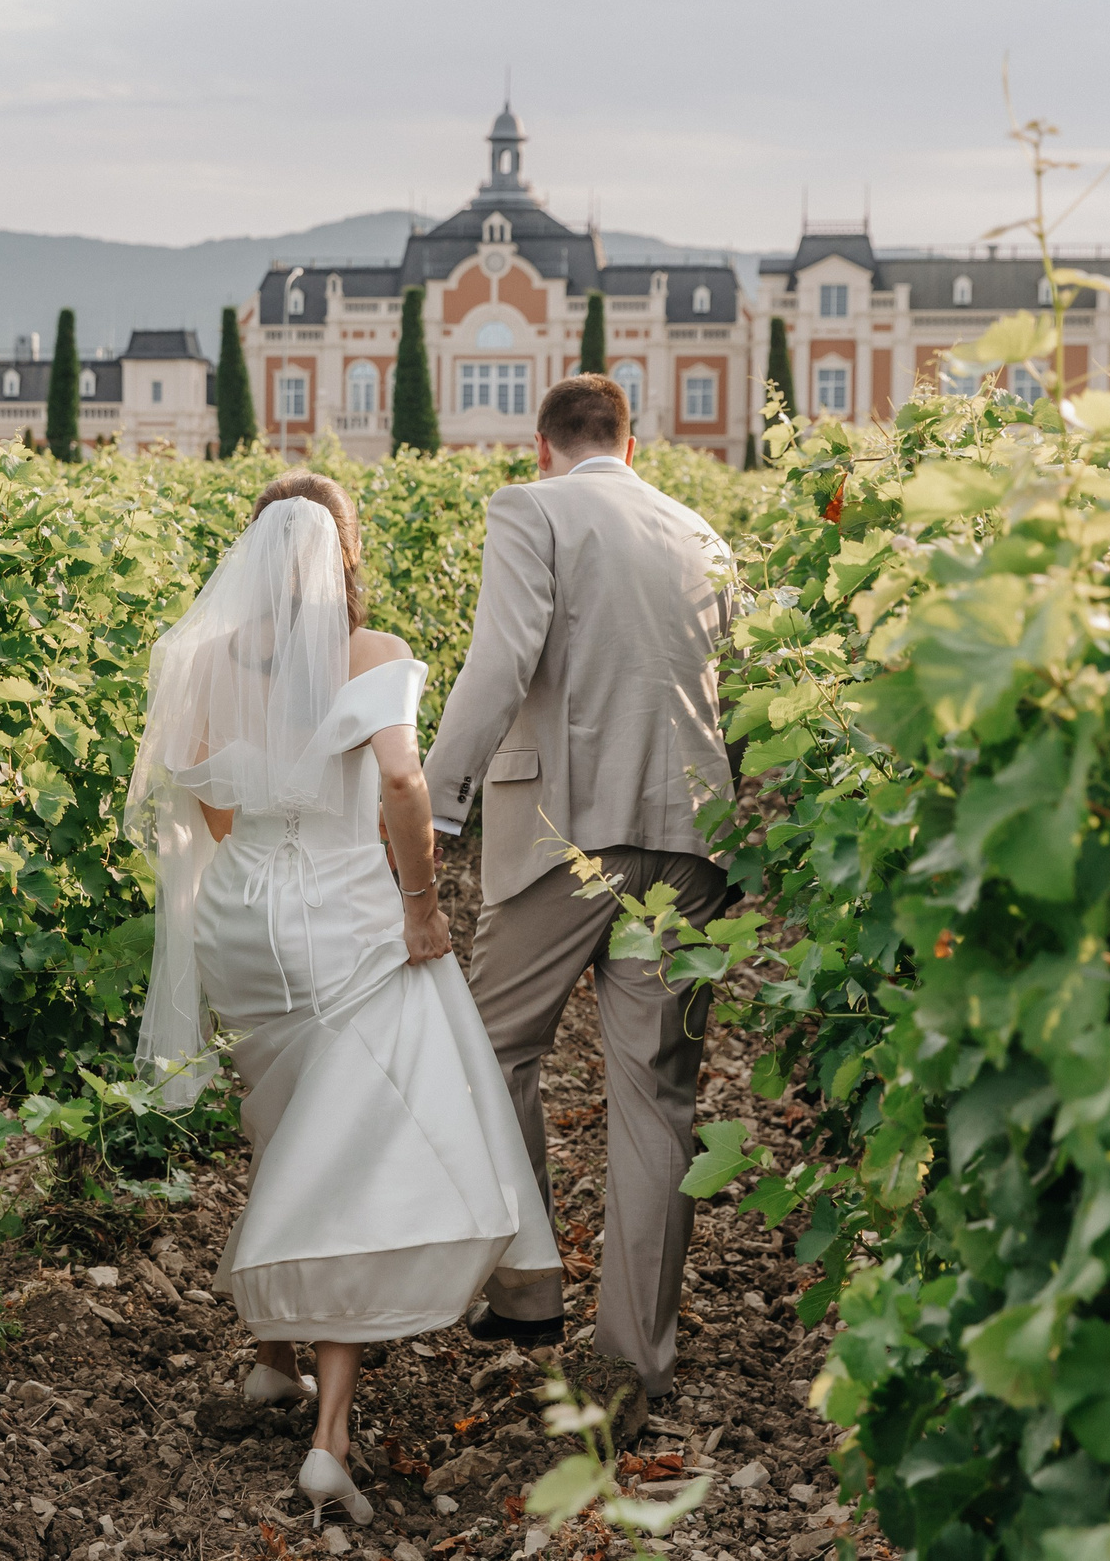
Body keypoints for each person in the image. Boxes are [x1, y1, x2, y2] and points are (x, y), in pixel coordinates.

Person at [130, 472, 559, 1529]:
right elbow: (403, 784)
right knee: (351, 1155)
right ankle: (328, 1438)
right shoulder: (369, 654)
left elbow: (212, 812)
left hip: (240, 923)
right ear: (345, 554)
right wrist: (422, 907)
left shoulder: (201, 662)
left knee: (281, 1122)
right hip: (343, 922)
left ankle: (273, 1359)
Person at [423, 374, 735, 1399]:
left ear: (542, 444)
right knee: (658, 1097)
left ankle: (526, 1284)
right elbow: (731, 693)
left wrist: (435, 805)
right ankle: (636, 1357)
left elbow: (501, 658)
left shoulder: (531, 509)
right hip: (686, 839)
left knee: (490, 1047)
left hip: (565, 833)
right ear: (630, 445)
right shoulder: (704, 535)